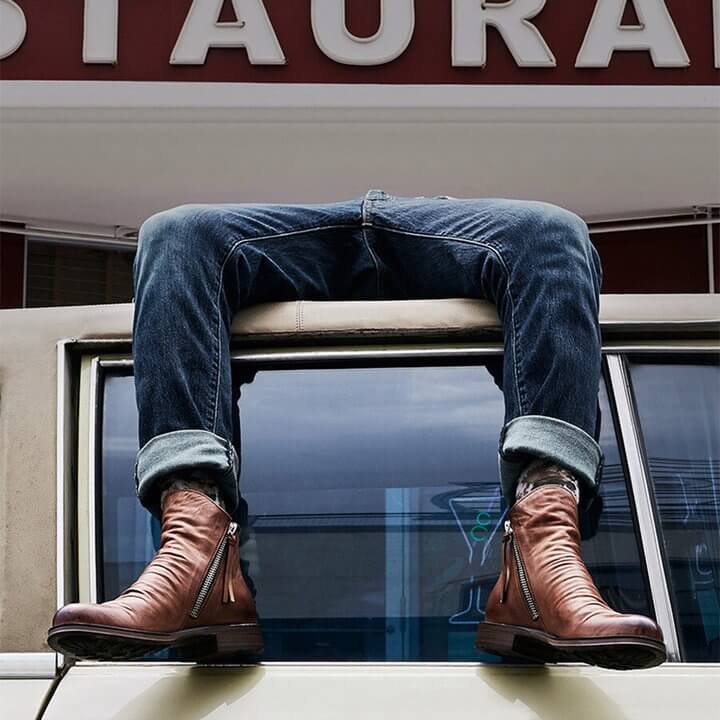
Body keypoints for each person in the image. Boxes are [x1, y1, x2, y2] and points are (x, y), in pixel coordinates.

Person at [47, 190, 666, 669]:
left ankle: (543, 556)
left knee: (551, 233)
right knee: (174, 235)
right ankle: (195, 558)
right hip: (272, 234)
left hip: (485, 233)